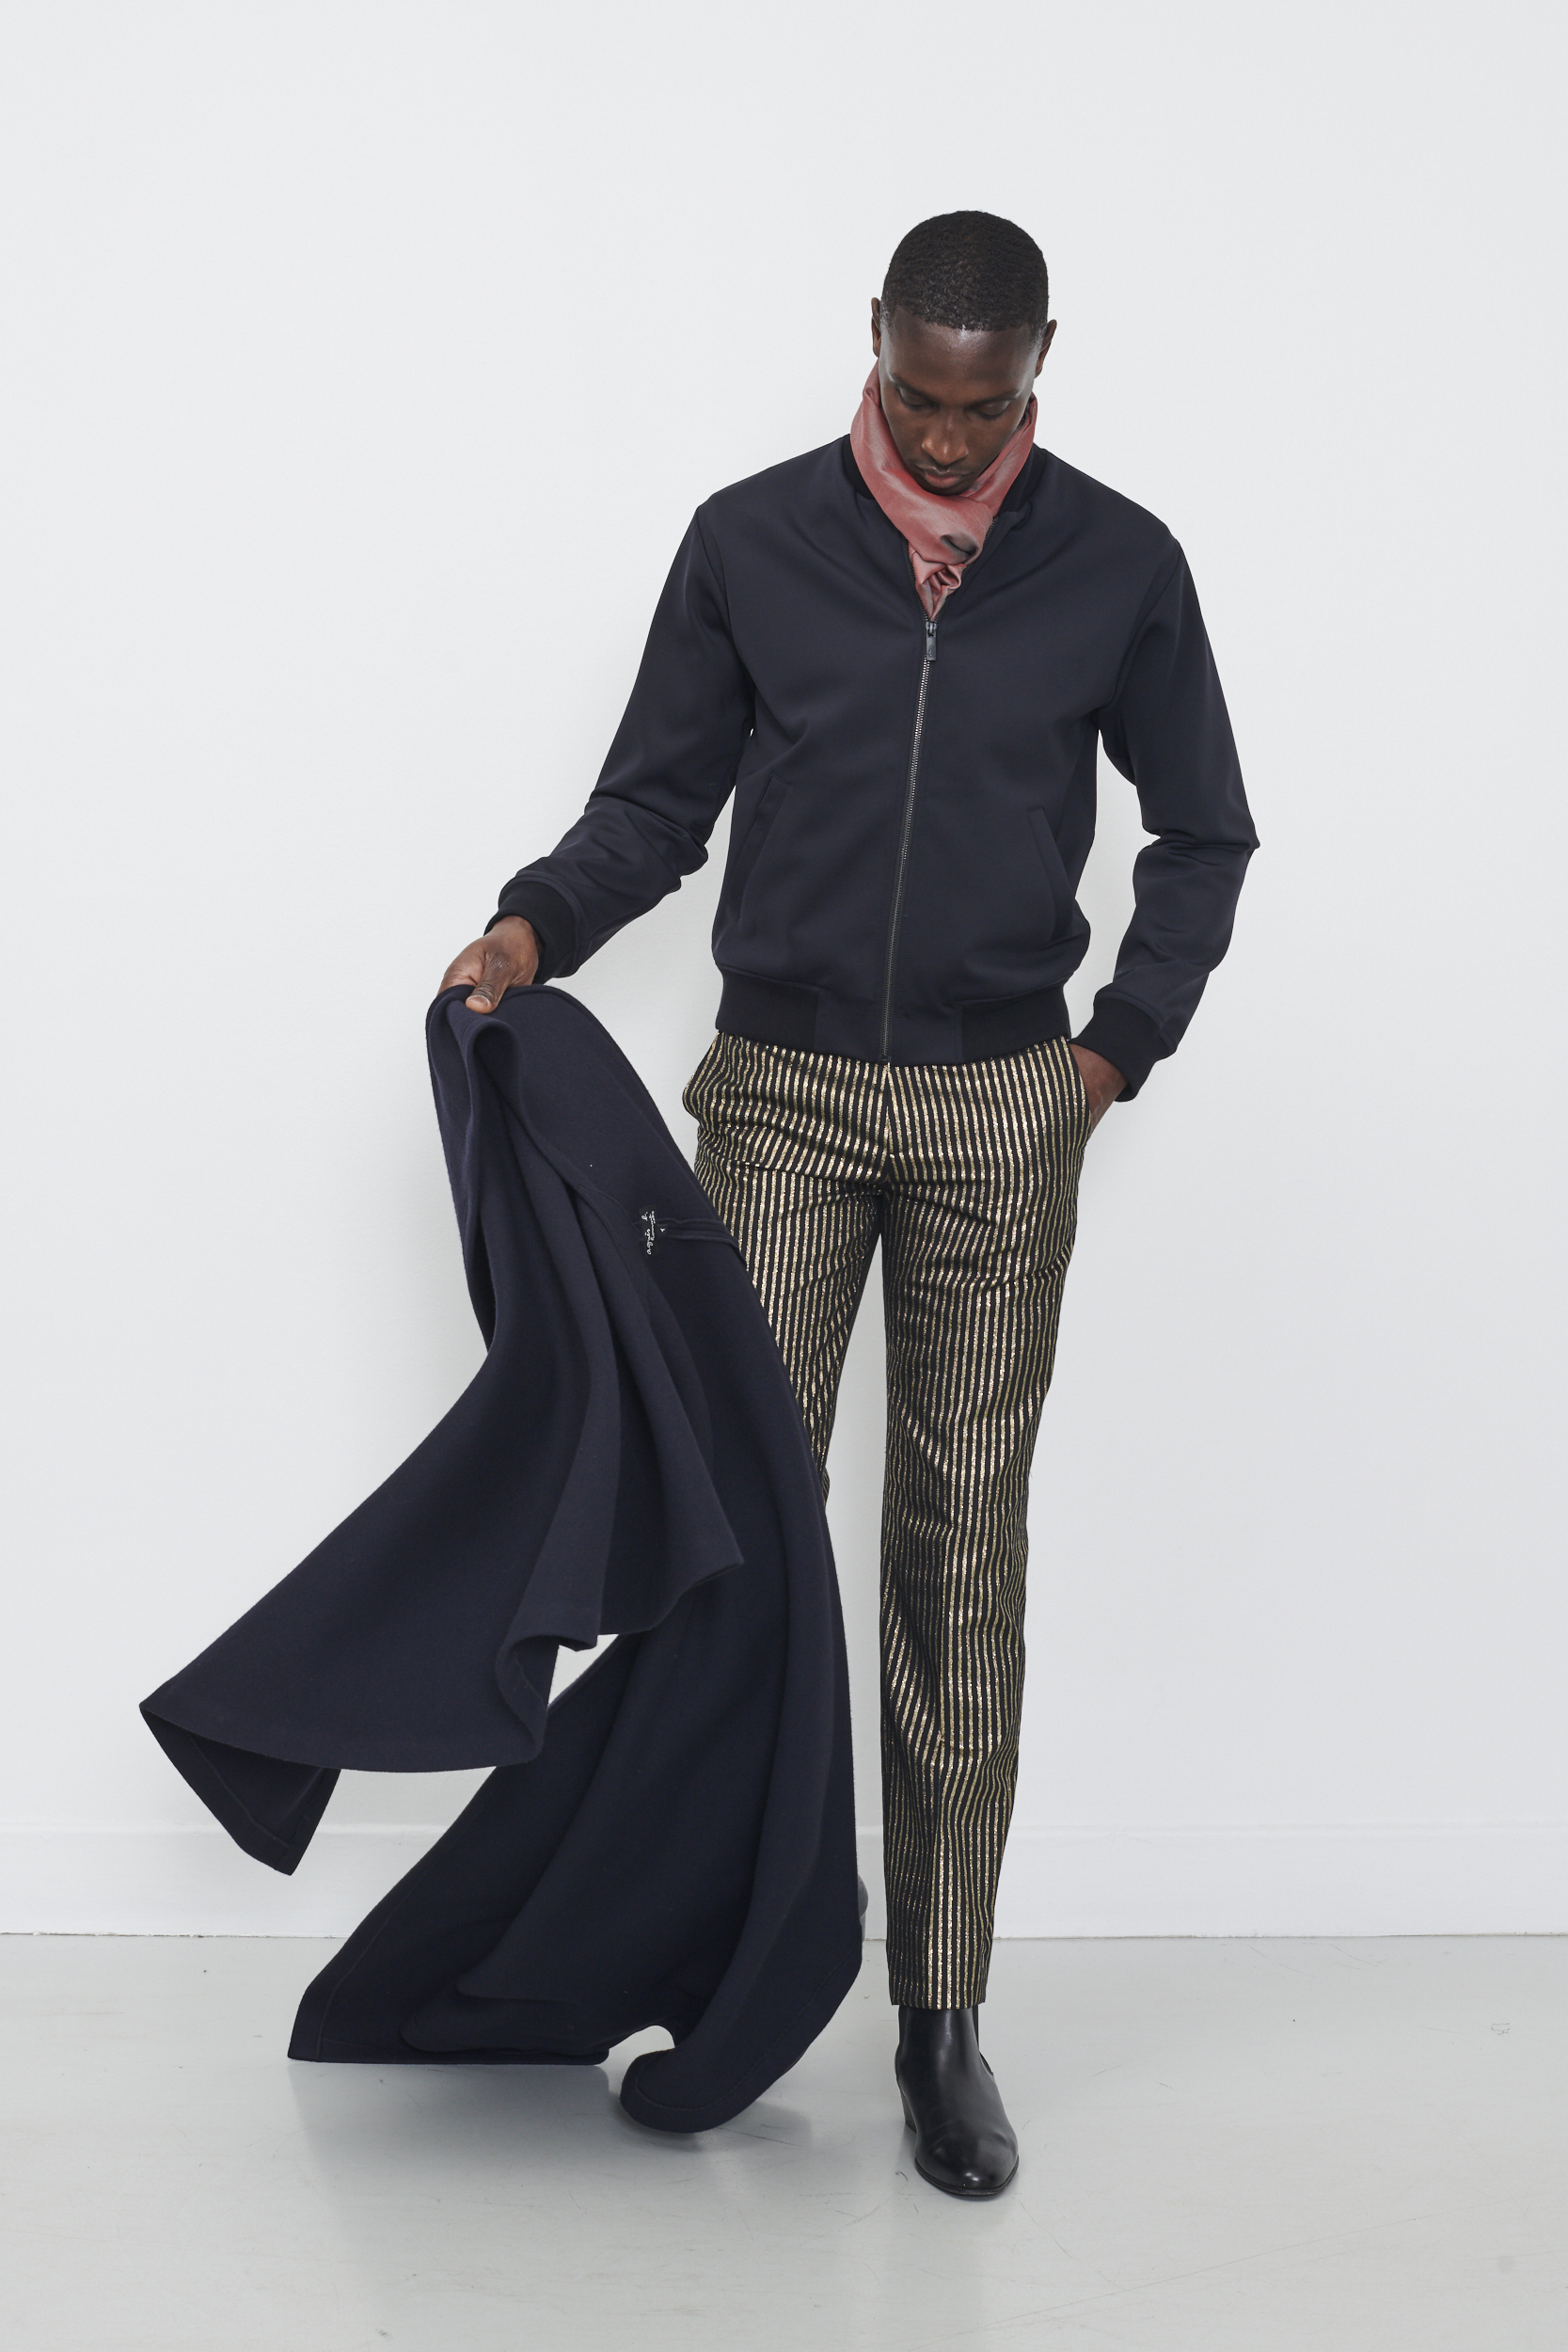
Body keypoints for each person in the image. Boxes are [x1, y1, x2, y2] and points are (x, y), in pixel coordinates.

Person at [441, 210, 1257, 2197]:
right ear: (875, 340)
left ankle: (941, 2021)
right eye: (919, 396)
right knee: (735, 1541)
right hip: (786, 1099)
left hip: (1002, 1104)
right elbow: (657, 800)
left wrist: (1112, 1052)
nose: (950, 439)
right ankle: (717, 1957)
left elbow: (1204, 829)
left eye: (986, 406)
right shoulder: (752, 541)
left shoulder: (1122, 562)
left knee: (960, 1558)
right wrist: (536, 927)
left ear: (1040, 364)